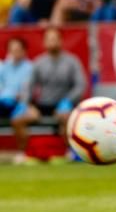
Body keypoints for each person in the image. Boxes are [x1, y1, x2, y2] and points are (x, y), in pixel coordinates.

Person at [11, 27, 86, 165]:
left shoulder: (72, 61)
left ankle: (71, 152)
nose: (52, 42)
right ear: (44, 42)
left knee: (66, 117)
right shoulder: (39, 62)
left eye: (55, 39)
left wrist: (68, 101)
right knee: (18, 120)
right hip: (43, 104)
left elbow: (80, 85)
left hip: (64, 104)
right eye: (49, 39)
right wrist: (26, 104)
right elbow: (29, 86)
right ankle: (24, 153)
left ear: (60, 41)